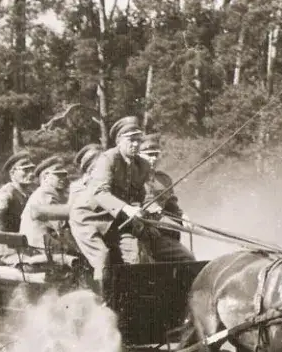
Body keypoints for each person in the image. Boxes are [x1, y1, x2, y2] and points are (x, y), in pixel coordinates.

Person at [68, 116, 195, 298]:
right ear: (119, 140)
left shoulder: (141, 165)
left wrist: (179, 217)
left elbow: (142, 197)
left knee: (143, 254)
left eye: (138, 140)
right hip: (89, 218)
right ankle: (105, 302)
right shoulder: (108, 159)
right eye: (130, 139)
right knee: (102, 258)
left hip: (119, 219)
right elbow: (100, 192)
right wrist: (127, 209)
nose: (135, 144)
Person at [19, 155, 76, 258]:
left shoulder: (44, 193)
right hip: (39, 249)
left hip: (37, 246)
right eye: (58, 175)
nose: (63, 178)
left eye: (64, 175)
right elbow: (59, 225)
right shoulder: (46, 192)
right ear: (45, 177)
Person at [139, 133, 186, 241]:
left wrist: (181, 216)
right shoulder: (132, 177)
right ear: (139, 155)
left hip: (164, 227)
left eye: (156, 155)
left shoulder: (164, 179)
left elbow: (171, 205)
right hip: (141, 226)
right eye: (149, 155)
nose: (154, 158)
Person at [0, 151, 38, 239]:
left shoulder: (30, 193)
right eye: (25, 170)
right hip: (6, 243)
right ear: (12, 173)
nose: (31, 174)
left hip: (22, 240)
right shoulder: (7, 191)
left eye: (32, 170)